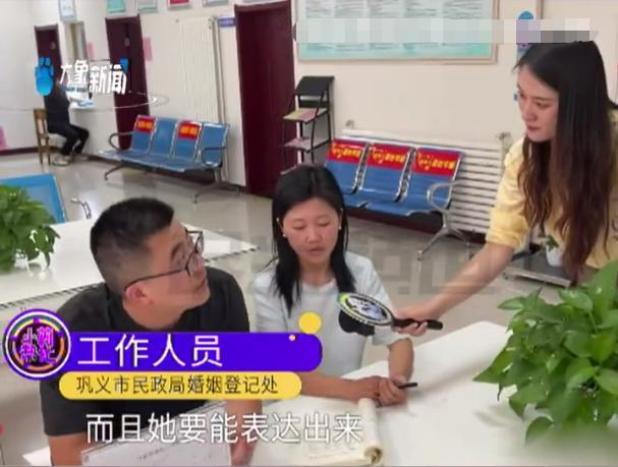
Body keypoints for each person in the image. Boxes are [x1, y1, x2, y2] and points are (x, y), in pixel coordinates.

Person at [396, 41, 618, 335]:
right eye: (521, 96)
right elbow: (497, 250)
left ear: (580, 107)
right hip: (592, 277)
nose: (526, 112)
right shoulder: (526, 159)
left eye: (541, 104)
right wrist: (434, 307)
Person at [39, 198, 260, 465]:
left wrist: (237, 446)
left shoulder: (220, 292)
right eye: (182, 261)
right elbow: (70, 457)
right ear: (139, 293)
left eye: (193, 246)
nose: (200, 264)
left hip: (191, 448)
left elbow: (241, 393)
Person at [252, 165, 413, 406]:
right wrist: (351, 389)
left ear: (339, 218)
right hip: (290, 408)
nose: (313, 237)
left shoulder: (361, 271)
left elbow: (398, 339)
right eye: (299, 227)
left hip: (346, 405)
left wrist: (398, 380)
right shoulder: (267, 286)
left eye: (323, 223)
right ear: (281, 227)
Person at [44, 79, 90, 161]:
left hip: (64, 123)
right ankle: (62, 155)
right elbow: (65, 102)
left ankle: (76, 153)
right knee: (73, 135)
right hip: (54, 124)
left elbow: (67, 101)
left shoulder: (60, 90)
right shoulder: (50, 91)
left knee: (84, 133)